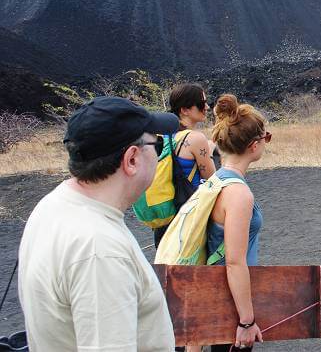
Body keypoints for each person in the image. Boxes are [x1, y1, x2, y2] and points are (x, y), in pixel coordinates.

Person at [18, 96, 178, 351]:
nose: (158, 155)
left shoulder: (53, 205)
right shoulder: (100, 251)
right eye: (156, 145)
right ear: (132, 159)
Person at [201, 94, 269, 351]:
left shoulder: (216, 180)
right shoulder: (239, 194)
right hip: (231, 302)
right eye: (266, 137)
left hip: (216, 293)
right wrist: (246, 321)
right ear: (254, 144)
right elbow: (234, 261)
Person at [151, 84, 218, 248]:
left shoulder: (162, 136)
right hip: (189, 220)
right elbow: (212, 180)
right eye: (201, 103)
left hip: (164, 221)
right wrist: (209, 151)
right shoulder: (195, 138)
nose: (207, 107)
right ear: (185, 110)